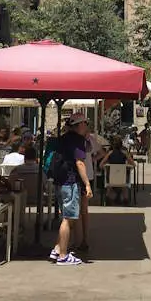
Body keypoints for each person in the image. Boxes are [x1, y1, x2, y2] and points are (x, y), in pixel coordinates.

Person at [50, 113, 92, 266]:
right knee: (69, 219)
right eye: (85, 123)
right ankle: (63, 255)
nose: (87, 126)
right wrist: (87, 183)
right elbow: (80, 163)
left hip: (60, 182)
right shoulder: (78, 140)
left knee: (67, 218)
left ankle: (57, 249)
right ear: (80, 124)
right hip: (70, 181)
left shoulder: (64, 138)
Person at [100, 136, 134, 204]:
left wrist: (107, 167)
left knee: (110, 183)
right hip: (123, 178)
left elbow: (101, 165)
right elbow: (133, 165)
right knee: (124, 184)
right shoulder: (125, 153)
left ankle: (108, 197)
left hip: (111, 178)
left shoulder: (110, 153)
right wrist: (127, 168)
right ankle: (125, 198)